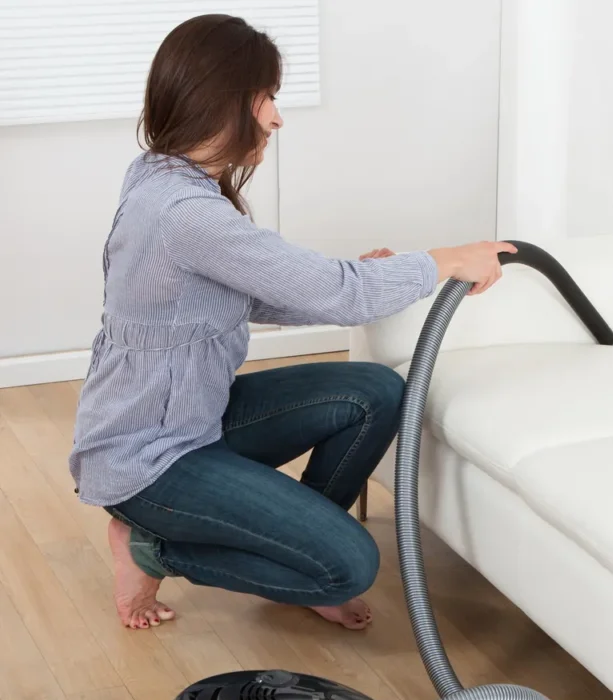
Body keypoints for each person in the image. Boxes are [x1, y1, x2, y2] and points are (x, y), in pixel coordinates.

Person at [67, 13, 515, 631]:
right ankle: (150, 547)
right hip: (150, 458)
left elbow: (254, 290)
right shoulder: (185, 212)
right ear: (226, 102)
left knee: (374, 392)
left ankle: (294, 551)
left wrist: (360, 280)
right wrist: (446, 260)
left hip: (194, 417)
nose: (276, 117)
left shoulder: (163, 174)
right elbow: (332, 293)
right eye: (267, 98)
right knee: (350, 567)